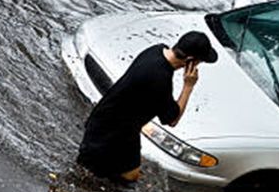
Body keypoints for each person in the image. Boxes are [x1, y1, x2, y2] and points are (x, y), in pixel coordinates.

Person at [77, 31, 218, 183]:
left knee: (128, 176)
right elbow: (172, 120)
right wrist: (188, 86)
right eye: (199, 61)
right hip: (110, 136)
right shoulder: (160, 79)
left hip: (112, 125)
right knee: (95, 179)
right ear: (190, 60)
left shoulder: (155, 50)